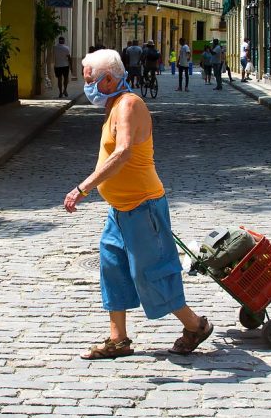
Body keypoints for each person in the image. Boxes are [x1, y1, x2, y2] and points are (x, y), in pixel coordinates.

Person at [64, 49, 213, 359]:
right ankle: (118, 340)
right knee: (112, 267)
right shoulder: (113, 105)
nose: (85, 84)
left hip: (143, 207)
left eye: (89, 79)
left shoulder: (130, 104)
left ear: (107, 80)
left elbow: (123, 153)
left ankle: (196, 325)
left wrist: (84, 187)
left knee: (152, 272)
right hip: (120, 210)